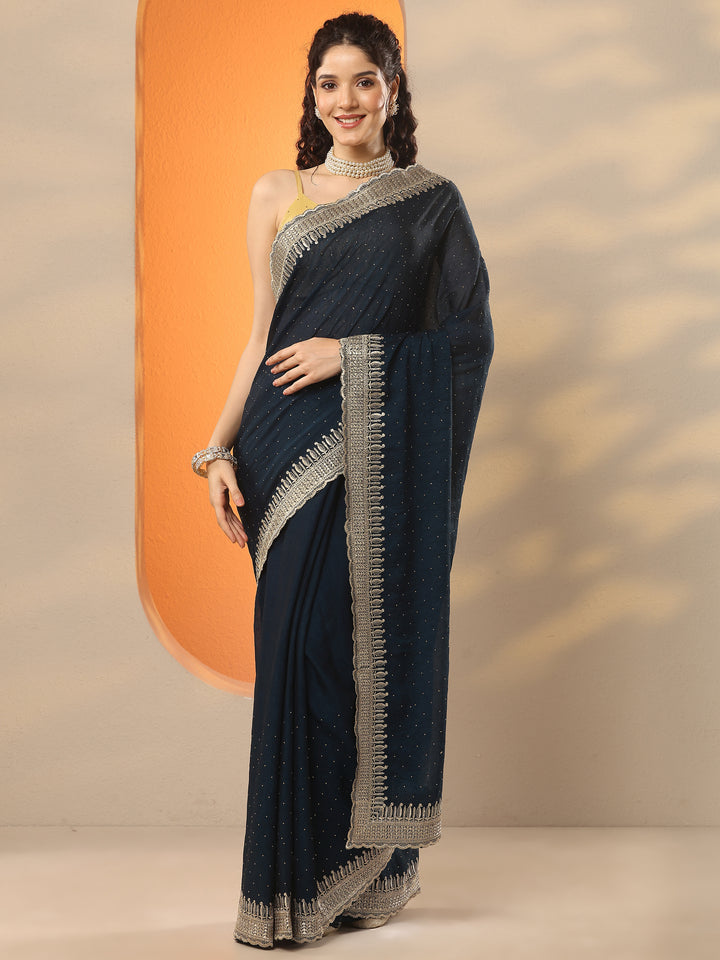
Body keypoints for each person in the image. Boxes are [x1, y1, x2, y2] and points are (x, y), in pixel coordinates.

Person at [191, 11, 493, 949]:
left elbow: (467, 340)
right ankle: (291, 882)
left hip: (370, 448)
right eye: (330, 83)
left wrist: (352, 353)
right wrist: (214, 451)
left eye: (366, 80)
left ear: (393, 90)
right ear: (312, 95)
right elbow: (258, 337)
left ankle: (360, 869)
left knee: (345, 649)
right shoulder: (276, 192)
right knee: (294, 652)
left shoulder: (430, 205)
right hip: (280, 453)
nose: (347, 99)